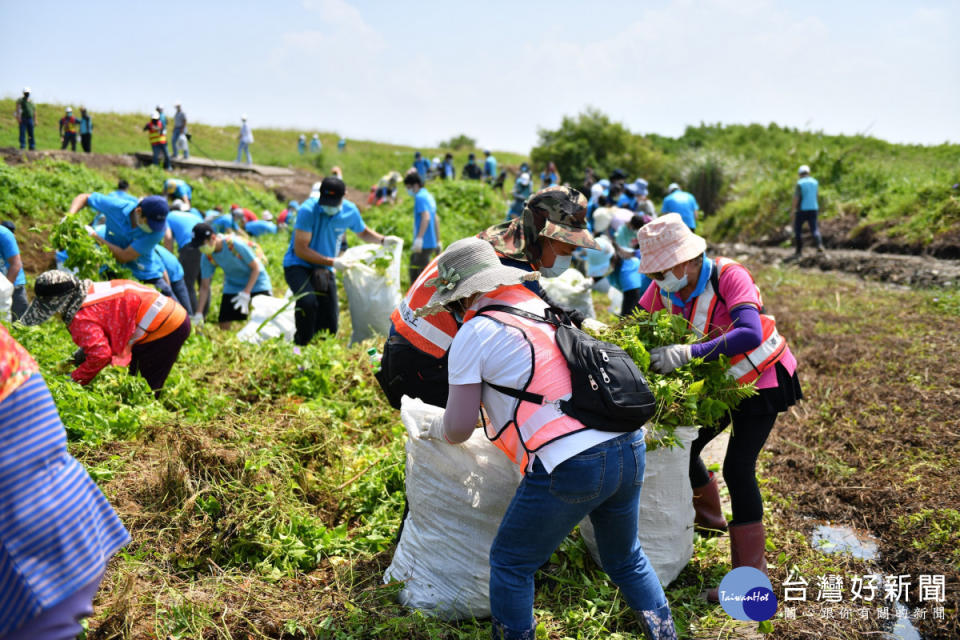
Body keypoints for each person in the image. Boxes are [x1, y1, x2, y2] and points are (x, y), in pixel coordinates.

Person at [415, 238, 676, 640]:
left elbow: (460, 427)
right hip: (628, 446)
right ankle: (665, 634)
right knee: (625, 558)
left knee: (510, 563)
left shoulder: (474, 332)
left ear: (458, 299)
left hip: (573, 464)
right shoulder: (542, 308)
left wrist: (434, 426)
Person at [635, 213, 801, 601]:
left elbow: (749, 331)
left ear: (688, 259)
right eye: (654, 274)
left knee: (738, 467)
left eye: (663, 272)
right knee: (689, 446)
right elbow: (641, 321)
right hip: (724, 383)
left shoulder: (729, 275)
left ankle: (751, 586)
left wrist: (687, 352)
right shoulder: (664, 287)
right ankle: (710, 523)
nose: (658, 281)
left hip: (763, 378)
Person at [378, 186, 600, 410]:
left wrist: (580, 320)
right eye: (567, 249)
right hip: (423, 361)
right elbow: (527, 332)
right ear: (543, 235)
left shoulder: (503, 240)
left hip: (404, 345)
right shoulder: (502, 268)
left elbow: (538, 298)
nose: (570, 255)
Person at [0, 324, 130, 639]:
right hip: (72, 520)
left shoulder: (85, 315)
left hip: (27, 556)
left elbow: (99, 353)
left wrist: (76, 379)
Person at [21, 270, 190, 394]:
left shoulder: (81, 318)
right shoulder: (91, 291)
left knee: (145, 388)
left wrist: (72, 380)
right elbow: (103, 331)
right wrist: (76, 358)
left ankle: (152, 426)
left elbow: (100, 355)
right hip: (169, 314)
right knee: (136, 378)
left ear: (61, 304)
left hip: (166, 326)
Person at [282, 176, 399, 344]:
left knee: (330, 322)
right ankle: (301, 345)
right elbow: (301, 249)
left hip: (325, 267)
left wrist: (383, 240)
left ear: (344, 195)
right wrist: (333, 262)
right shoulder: (308, 210)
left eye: (334, 202)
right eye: (326, 201)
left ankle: (321, 349)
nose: (329, 206)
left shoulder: (350, 212)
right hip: (298, 265)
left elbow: (363, 233)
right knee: (308, 302)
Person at [65, 192, 173, 297]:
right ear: (138, 211)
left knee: (172, 310)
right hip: (113, 270)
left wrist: (95, 236)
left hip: (145, 275)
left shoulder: (157, 232)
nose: (152, 228)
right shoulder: (117, 208)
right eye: (149, 223)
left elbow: (124, 256)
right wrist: (69, 217)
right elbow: (84, 197)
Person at [191, 223, 272, 330]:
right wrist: (199, 313)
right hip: (234, 285)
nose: (201, 248)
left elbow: (256, 268)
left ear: (213, 238)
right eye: (198, 246)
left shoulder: (234, 244)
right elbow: (205, 286)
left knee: (265, 320)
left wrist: (246, 292)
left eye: (203, 244)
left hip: (257, 282)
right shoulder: (207, 256)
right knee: (224, 322)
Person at [164, 200, 204, 315]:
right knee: (203, 283)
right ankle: (201, 316)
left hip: (191, 246)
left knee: (187, 283)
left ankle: (191, 317)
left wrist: (169, 259)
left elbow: (168, 237)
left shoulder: (169, 216)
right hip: (207, 245)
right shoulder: (192, 214)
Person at [404, 170, 439, 283]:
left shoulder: (420, 197)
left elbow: (426, 217)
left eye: (409, 187)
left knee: (417, 276)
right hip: (430, 242)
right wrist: (438, 240)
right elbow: (436, 218)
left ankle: (415, 299)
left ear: (416, 185)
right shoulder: (428, 196)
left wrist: (419, 239)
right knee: (420, 271)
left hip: (424, 243)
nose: (408, 191)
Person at [791, 164, 823, 257]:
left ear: (800, 174)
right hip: (814, 208)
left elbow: (796, 198)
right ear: (808, 173)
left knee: (798, 230)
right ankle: (819, 245)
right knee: (814, 229)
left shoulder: (800, 183)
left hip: (802, 209)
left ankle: (799, 251)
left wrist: (793, 210)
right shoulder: (815, 182)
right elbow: (816, 195)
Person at [153, 244, 193, 315]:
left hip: (176, 274)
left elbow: (164, 272)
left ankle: (190, 320)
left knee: (183, 308)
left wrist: (169, 291)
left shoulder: (149, 250)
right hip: (172, 273)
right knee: (178, 307)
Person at [0, 221, 28, 319]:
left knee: (20, 322)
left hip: (14, 285)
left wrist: (5, 290)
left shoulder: (4, 234)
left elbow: (16, 264)